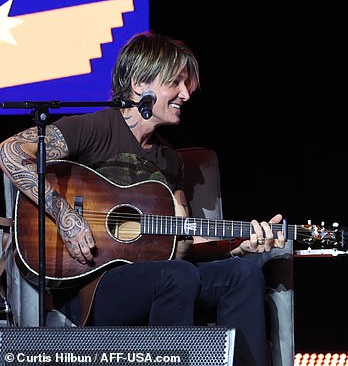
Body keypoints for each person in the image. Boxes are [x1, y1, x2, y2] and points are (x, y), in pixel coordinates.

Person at [0, 30, 286, 366]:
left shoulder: (170, 160)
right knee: (178, 277)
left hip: (160, 277)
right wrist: (66, 217)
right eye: (176, 83)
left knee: (242, 274)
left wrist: (236, 245)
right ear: (140, 85)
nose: (186, 94)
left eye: (187, 84)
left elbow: (178, 247)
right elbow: (11, 152)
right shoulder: (97, 128)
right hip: (93, 287)